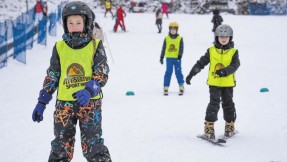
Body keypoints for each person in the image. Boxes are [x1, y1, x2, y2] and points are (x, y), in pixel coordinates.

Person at [31, 1, 112, 161]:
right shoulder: (59, 47)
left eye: (78, 23)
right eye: (70, 23)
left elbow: (102, 72)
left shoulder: (95, 45)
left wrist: (89, 90)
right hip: (64, 106)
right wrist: (42, 101)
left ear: (86, 23)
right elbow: (53, 74)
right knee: (61, 147)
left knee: (93, 147)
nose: (74, 26)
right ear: (65, 24)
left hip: (90, 105)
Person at [185, 24, 240, 140]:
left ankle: (229, 125)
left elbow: (235, 65)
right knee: (213, 104)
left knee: (228, 104)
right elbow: (201, 63)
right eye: (221, 36)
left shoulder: (233, 52)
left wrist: (224, 72)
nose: (224, 39)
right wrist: (191, 74)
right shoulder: (211, 51)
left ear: (230, 37)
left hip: (228, 83)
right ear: (216, 38)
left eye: (226, 36)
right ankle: (209, 128)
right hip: (214, 84)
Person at [160, 22, 184, 96]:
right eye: (171, 29)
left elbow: (181, 48)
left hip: (177, 59)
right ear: (169, 30)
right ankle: (166, 87)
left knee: (178, 72)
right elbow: (163, 48)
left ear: (177, 30)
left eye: (174, 29)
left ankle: (181, 85)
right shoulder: (167, 38)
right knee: (168, 72)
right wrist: (161, 57)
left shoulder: (180, 38)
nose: (173, 31)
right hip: (169, 59)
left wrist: (180, 56)